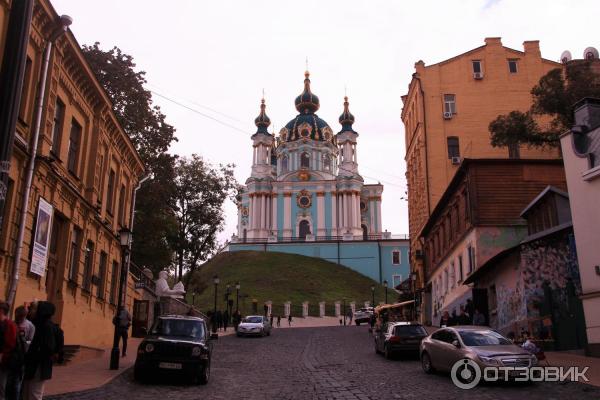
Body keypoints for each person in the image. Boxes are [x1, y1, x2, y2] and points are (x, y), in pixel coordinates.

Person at [23, 301, 63, 400]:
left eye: (34, 309)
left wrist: (34, 354)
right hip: (33, 364)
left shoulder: (46, 326)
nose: (31, 311)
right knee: (27, 393)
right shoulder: (39, 323)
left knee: (34, 394)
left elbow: (48, 348)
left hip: (39, 366)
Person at [6, 306, 35, 399]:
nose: (18, 317)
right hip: (11, 356)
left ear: (24, 315)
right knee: (8, 381)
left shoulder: (30, 326)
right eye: (17, 315)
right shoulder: (12, 324)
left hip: (22, 357)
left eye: (20, 316)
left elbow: (31, 340)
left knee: (17, 383)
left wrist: (24, 343)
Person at [0, 301, 17, 399]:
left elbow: (10, 345)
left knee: (1, 387)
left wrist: (2, 355)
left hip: (3, 362)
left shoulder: (9, 325)